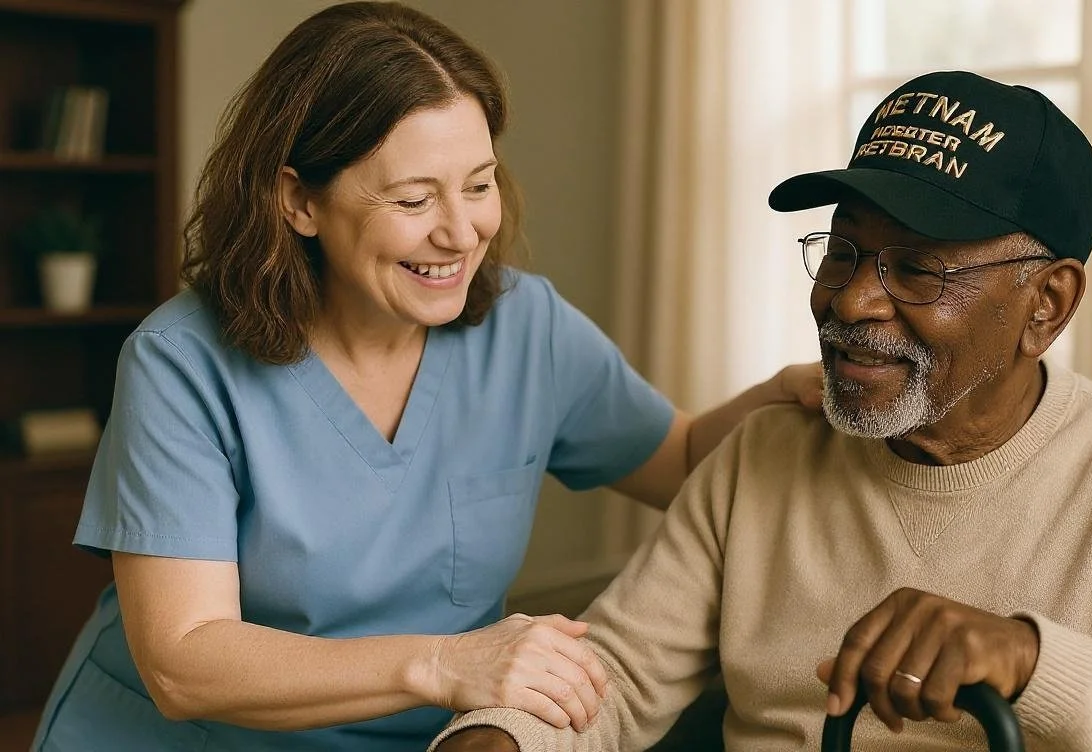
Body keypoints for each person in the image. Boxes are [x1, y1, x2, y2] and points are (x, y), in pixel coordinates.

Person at [431, 70, 1092, 751]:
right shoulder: (766, 457)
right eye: (846, 252)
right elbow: (613, 678)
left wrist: (1031, 663)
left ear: (1046, 305)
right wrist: (502, 735)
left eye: (917, 268)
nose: (853, 302)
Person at [30, 3, 822, 751]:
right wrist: (446, 663)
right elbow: (184, 660)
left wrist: (780, 394)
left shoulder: (526, 327)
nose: (461, 230)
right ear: (299, 201)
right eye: (414, 198)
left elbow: (681, 459)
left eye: (478, 185)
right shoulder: (182, 363)